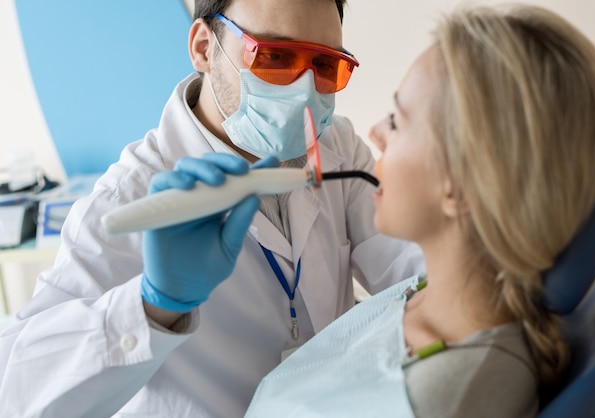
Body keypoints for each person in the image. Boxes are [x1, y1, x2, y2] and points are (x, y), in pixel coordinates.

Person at [0, 0, 424, 417]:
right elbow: (16, 395)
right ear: (204, 47)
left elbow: (416, 262)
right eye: (274, 57)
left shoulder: (339, 150)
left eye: (325, 65)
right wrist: (154, 306)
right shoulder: (127, 198)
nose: (303, 90)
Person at [243, 4, 595, 417]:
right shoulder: (431, 297)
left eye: (398, 120)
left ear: (459, 185)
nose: (374, 134)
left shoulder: (440, 400)